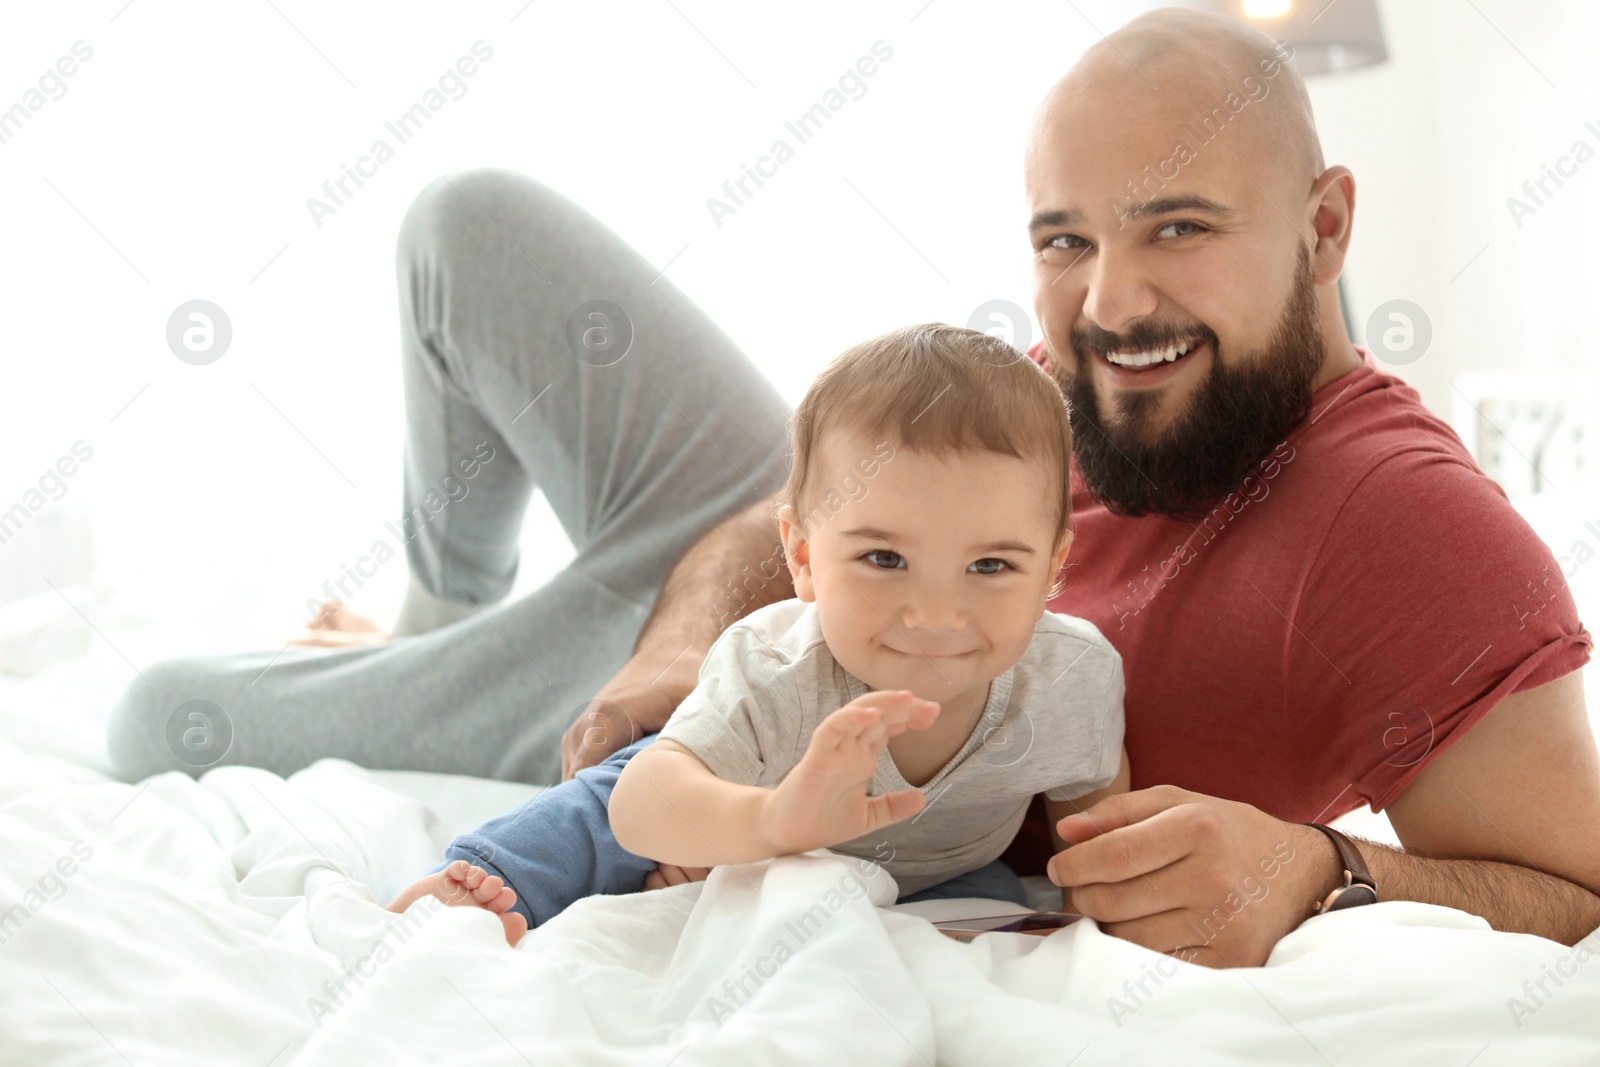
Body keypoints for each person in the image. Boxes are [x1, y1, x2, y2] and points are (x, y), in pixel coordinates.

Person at [108, 7, 1600, 969]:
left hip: (750, 737)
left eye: (1181, 227)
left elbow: (1579, 892)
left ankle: (438, 664)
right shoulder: (1093, 372)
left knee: (155, 705)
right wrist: (688, 642)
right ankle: (435, 616)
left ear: (1328, 226)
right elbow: (837, 494)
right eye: (1066, 239)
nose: (1109, 301)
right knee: (467, 221)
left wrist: (1328, 871)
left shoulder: (1411, 530)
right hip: (752, 607)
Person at [384, 326, 1130, 946]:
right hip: (738, 789)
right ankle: (496, 876)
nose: (935, 612)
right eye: (884, 559)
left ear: (1054, 567)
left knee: (1000, 914)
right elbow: (641, 805)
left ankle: (742, 874)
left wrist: (1102, 887)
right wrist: (762, 826)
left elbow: (1091, 801)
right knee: (605, 809)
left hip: (937, 869)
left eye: (991, 565)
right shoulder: (776, 666)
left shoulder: (1072, 677)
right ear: (804, 557)